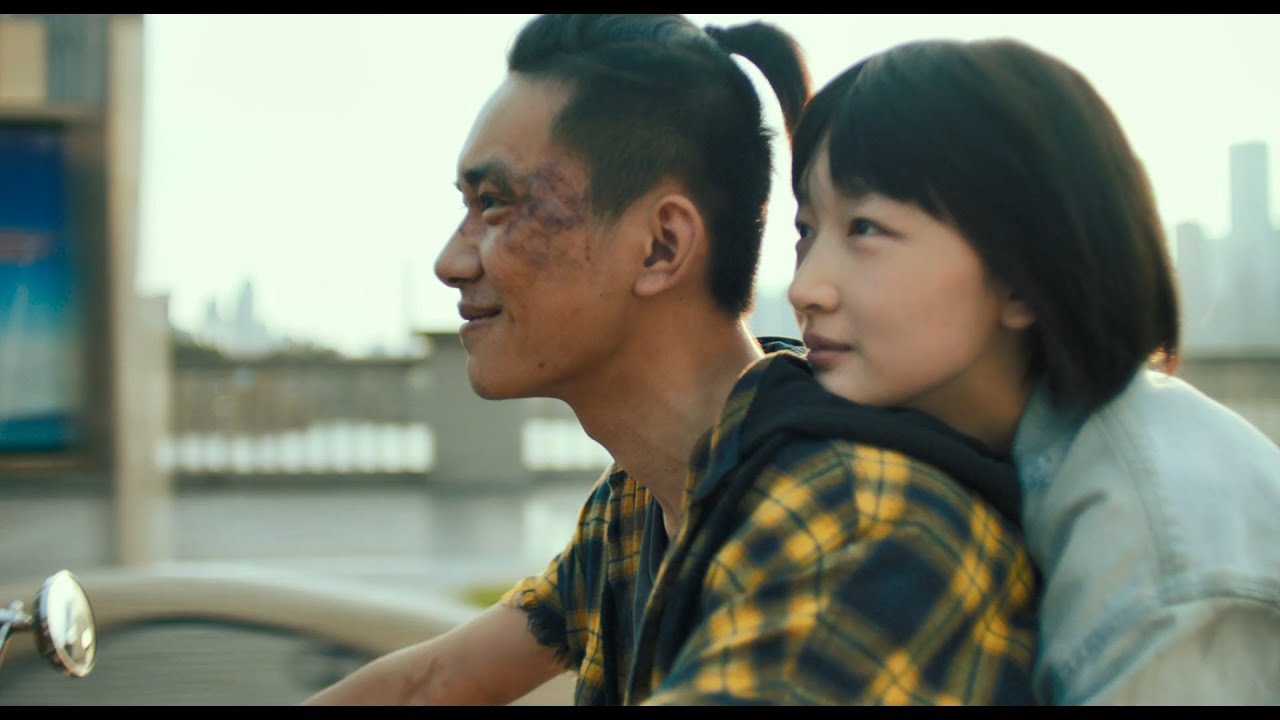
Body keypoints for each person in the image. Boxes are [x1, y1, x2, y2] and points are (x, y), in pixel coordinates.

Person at [304, 14, 1038, 705]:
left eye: (495, 203)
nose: (450, 261)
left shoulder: (848, 532)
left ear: (661, 246)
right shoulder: (643, 499)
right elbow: (431, 683)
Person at [785, 37, 1280, 706]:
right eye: (806, 230)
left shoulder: (1162, 559)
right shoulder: (979, 456)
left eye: (865, 228)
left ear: (1022, 278)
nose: (806, 288)